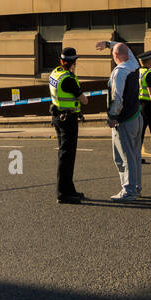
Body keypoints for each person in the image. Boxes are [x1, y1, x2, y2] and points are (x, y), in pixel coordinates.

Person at [48, 47, 88, 204]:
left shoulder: (55, 73)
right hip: (68, 120)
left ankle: (69, 189)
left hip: (58, 116)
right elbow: (83, 100)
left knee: (66, 155)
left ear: (61, 61)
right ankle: (63, 193)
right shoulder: (68, 79)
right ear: (73, 62)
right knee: (67, 156)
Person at [107, 43, 143, 201]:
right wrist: (109, 44)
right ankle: (135, 186)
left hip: (124, 120)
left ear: (115, 56)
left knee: (123, 157)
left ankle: (128, 190)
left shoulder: (120, 72)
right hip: (136, 117)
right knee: (134, 155)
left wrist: (112, 116)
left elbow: (117, 98)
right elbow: (125, 49)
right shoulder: (133, 64)